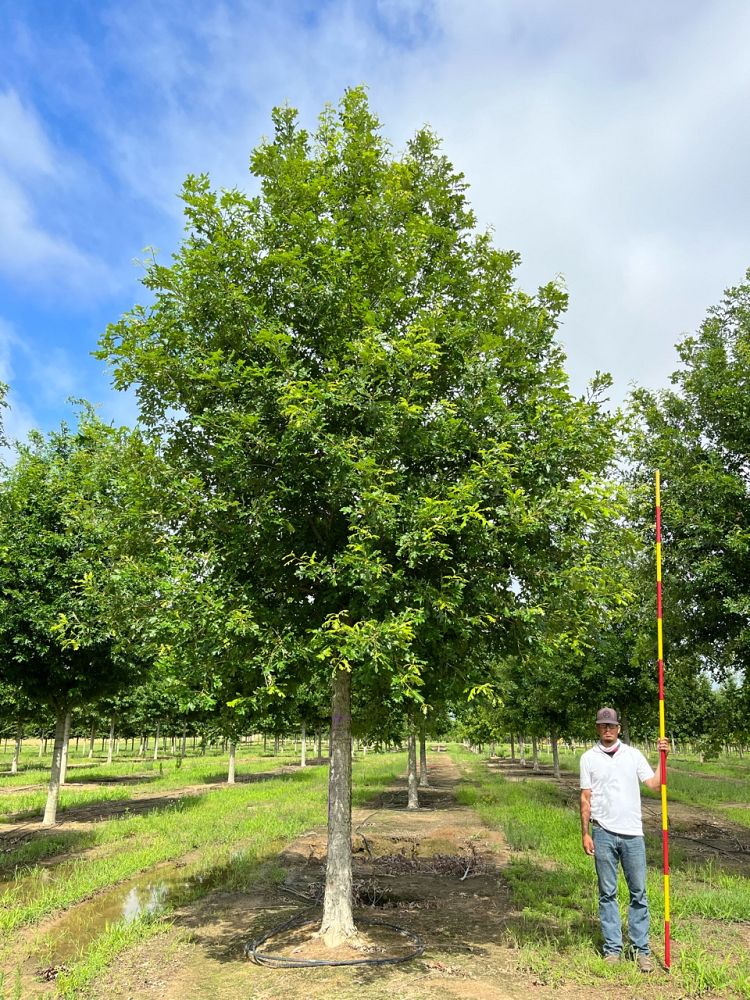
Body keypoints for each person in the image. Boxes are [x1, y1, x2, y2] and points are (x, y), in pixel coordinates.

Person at [579, 707, 669, 973]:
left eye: (611, 725)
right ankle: (612, 949)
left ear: (619, 729)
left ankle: (641, 950)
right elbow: (586, 797)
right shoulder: (588, 758)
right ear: (597, 728)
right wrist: (585, 832)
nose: (607, 729)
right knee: (607, 893)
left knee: (638, 893)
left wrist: (663, 758)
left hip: (633, 835)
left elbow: (654, 784)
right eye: (602, 725)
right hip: (603, 832)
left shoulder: (632, 755)